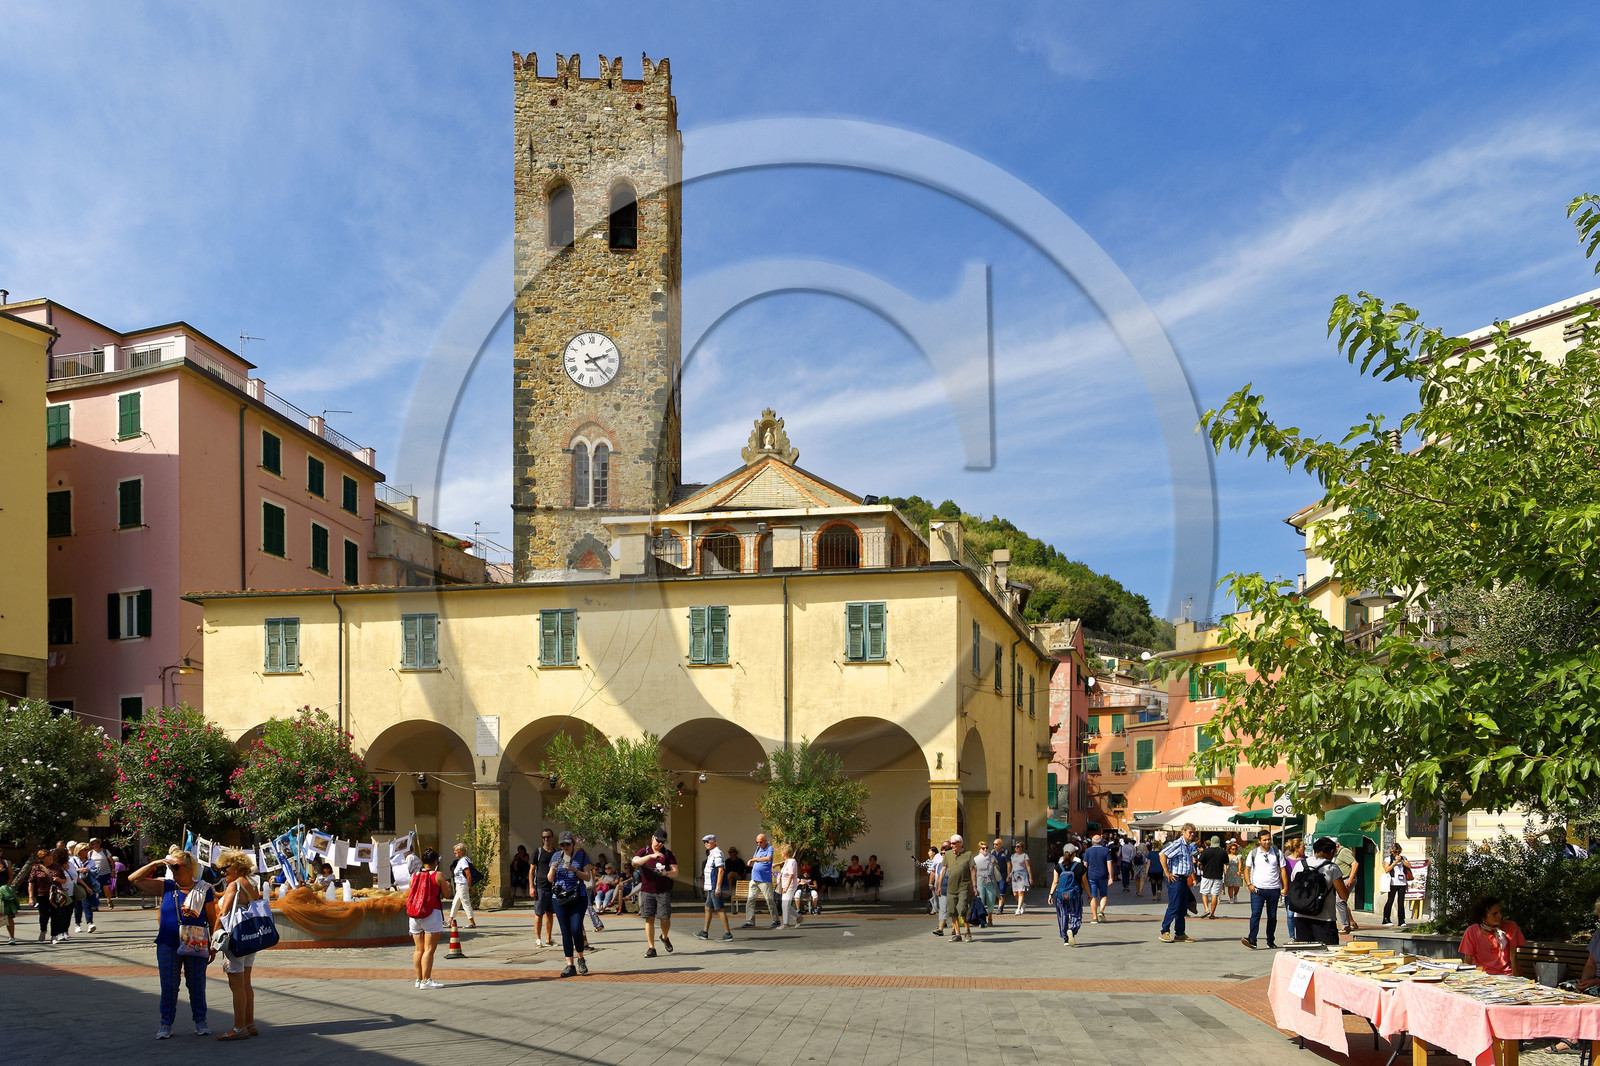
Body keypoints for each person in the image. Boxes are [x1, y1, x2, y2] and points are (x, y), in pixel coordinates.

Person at [126, 847, 219, 1038]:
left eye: (176, 866)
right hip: (168, 943)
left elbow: (212, 918)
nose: (173, 870)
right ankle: (165, 1024)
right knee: (168, 985)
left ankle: (200, 1021)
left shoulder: (204, 889)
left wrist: (213, 944)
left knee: (196, 984)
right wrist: (155, 863)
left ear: (189, 868)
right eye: (171, 866)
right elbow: (133, 879)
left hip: (196, 941)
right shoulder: (166, 886)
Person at [213, 849, 261, 1040]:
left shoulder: (234, 885)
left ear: (236, 866)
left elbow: (222, 914)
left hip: (235, 939)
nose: (223, 872)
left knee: (236, 985)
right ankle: (250, 1024)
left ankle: (239, 1027)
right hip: (250, 938)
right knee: (246, 983)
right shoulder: (252, 883)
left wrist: (214, 938)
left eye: (225, 868)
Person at [1289, 837, 1349, 946]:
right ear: (1331, 852)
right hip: (1324, 919)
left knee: (1305, 954)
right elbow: (1343, 895)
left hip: (1301, 917)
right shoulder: (1332, 868)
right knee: (1327, 956)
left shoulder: (1300, 865)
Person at [547, 831, 593, 976]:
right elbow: (549, 879)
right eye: (562, 844)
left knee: (575, 929)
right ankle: (570, 965)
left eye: (568, 844)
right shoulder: (556, 856)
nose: (565, 847)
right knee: (565, 931)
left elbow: (587, 877)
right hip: (559, 897)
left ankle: (580, 957)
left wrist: (574, 870)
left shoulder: (582, 856)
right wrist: (553, 868)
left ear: (573, 843)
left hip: (578, 896)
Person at [401, 847, 448, 988]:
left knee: (418, 949)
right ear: (435, 861)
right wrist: (448, 887)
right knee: (429, 950)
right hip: (432, 914)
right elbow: (446, 895)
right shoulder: (438, 875)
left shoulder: (413, 876)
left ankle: (418, 979)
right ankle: (426, 980)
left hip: (415, 915)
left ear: (421, 861)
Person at [631, 827, 678, 957]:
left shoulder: (668, 854)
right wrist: (650, 856)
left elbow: (675, 871)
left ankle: (664, 937)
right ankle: (651, 948)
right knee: (649, 918)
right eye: (658, 841)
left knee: (665, 918)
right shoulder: (644, 851)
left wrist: (666, 873)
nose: (660, 844)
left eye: (663, 842)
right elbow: (634, 862)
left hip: (663, 891)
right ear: (653, 838)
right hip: (647, 890)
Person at [1240, 830, 1286, 950]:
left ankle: (1270, 940)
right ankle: (1252, 939)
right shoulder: (1254, 853)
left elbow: (1283, 870)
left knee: (1272, 916)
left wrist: (1285, 887)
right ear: (1259, 840)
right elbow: (1247, 869)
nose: (1267, 842)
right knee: (1255, 914)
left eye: (1268, 839)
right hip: (1257, 889)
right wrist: (1249, 884)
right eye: (1264, 840)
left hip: (1273, 889)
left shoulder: (1277, 852)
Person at [1459, 896, 1525, 977]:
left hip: (1507, 977)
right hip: (1482, 978)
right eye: (1495, 914)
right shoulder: (1472, 932)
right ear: (1483, 917)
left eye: (1500, 912)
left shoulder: (1511, 927)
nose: (1500, 916)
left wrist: (1516, 981)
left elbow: (1513, 957)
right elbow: (1467, 962)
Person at [1157, 823, 1199, 943]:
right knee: (1174, 906)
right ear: (1183, 832)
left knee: (1182, 907)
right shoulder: (1178, 844)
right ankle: (1164, 931)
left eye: (1193, 832)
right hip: (1176, 879)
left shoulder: (1186, 846)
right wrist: (1167, 872)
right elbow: (1162, 854)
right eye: (1190, 832)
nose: (1192, 834)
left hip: (1183, 880)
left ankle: (1180, 933)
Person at [28, 847, 70, 944]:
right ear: (42, 858)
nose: (50, 858)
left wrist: (59, 880)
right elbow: (31, 882)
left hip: (55, 895)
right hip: (42, 895)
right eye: (47, 857)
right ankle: (43, 930)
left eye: (50, 856)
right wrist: (31, 897)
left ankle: (54, 936)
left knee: (56, 915)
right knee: (43, 915)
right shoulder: (36, 868)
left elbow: (64, 880)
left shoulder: (57, 866)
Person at [1049, 844, 1088, 946]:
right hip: (1075, 895)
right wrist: (1090, 894)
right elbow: (1084, 882)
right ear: (1074, 853)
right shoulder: (1080, 867)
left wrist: (1050, 894)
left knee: (1062, 915)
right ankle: (1072, 929)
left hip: (1060, 896)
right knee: (1076, 915)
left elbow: (1055, 882)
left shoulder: (1058, 867)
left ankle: (1065, 939)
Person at [697, 833, 732, 942]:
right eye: (704, 842)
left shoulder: (717, 853)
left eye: (708, 841)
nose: (706, 843)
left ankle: (728, 934)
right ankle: (704, 932)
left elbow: (721, 870)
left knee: (720, 908)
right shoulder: (712, 854)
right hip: (710, 886)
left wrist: (718, 887)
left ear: (714, 842)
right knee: (708, 908)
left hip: (714, 886)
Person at [740, 832, 779, 929]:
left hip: (764, 880)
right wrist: (755, 859)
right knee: (750, 901)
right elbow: (754, 858)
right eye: (757, 842)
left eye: (760, 842)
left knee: (769, 901)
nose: (758, 844)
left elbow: (768, 858)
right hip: (754, 879)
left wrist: (756, 859)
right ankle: (750, 921)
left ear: (765, 841)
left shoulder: (769, 848)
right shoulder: (758, 848)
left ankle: (776, 920)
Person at [942, 835, 976, 943]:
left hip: (964, 886)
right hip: (951, 887)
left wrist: (974, 886)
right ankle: (957, 934)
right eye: (951, 843)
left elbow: (972, 870)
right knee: (952, 911)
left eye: (954, 843)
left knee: (962, 909)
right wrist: (938, 886)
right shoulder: (947, 855)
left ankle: (967, 932)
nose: (952, 845)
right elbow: (943, 870)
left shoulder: (968, 854)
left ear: (960, 843)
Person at [531, 830, 557, 949]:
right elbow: (532, 870)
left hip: (552, 887)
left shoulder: (556, 853)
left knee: (550, 914)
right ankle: (537, 939)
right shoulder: (538, 852)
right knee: (539, 913)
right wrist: (531, 887)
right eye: (544, 837)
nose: (546, 839)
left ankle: (548, 938)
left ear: (552, 838)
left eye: (548, 837)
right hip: (540, 887)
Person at [1082, 835, 1113, 924]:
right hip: (1103, 876)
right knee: (1103, 895)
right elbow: (1109, 864)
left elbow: (1085, 865)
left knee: (1093, 896)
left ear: (1092, 842)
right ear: (1101, 842)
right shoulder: (1105, 850)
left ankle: (1094, 917)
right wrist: (1111, 877)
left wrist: (1083, 878)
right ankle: (1101, 911)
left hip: (1091, 876)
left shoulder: (1088, 851)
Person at [1196, 836, 1228, 920]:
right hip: (1218, 876)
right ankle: (1212, 914)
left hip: (1207, 875)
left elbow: (1198, 863)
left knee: (1204, 892)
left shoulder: (1205, 851)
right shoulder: (1223, 852)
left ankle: (1206, 909)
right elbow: (1226, 863)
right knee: (1215, 895)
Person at [1381, 844, 1413, 928]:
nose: (1397, 853)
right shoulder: (1388, 859)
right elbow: (1386, 869)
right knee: (1390, 900)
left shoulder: (1404, 858)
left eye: (1399, 852)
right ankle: (1386, 919)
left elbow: (1409, 866)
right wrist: (1395, 862)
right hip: (1392, 882)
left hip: (1402, 883)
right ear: (1392, 852)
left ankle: (1401, 920)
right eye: (1395, 852)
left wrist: (1401, 861)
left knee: (1401, 902)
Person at [1334, 842, 1362, 933]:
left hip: (1346, 879)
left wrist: (1350, 878)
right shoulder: (1338, 854)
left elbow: (1355, 863)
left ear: (1337, 846)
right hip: (1341, 880)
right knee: (1342, 901)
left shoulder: (1344, 851)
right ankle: (1351, 922)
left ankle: (1346, 926)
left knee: (1340, 901)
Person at [448, 843, 477, 929]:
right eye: (454, 850)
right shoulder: (464, 859)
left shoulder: (463, 860)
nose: (455, 852)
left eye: (456, 850)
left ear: (462, 851)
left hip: (462, 884)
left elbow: (468, 873)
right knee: (456, 902)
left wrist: (469, 886)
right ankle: (450, 920)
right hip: (460, 885)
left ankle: (472, 922)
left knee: (465, 903)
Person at [1283, 837, 1305, 942]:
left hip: (1303, 892)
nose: (1304, 849)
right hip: (1290, 891)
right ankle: (1292, 936)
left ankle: (1302, 935)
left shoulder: (1306, 860)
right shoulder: (1286, 860)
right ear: (1296, 848)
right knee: (1290, 914)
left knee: (1301, 914)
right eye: (1303, 847)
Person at [973, 841, 998, 923]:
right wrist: (973, 885)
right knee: (981, 901)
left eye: (986, 848)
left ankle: (990, 916)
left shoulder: (991, 857)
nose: (985, 850)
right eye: (983, 848)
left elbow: (998, 867)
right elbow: (973, 871)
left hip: (990, 882)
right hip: (980, 882)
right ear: (979, 850)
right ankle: (982, 919)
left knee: (991, 900)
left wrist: (995, 863)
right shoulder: (976, 859)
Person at [777, 843, 800, 928]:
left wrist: (786, 886)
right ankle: (798, 918)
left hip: (790, 885)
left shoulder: (791, 861)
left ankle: (786, 923)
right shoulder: (787, 862)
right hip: (786, 885)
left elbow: (791, 875)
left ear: (786, 852)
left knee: (785, 904)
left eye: (782, 851)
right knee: (786, 904)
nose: (781, 853)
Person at [929, 843, 949, 934]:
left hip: (953, 889)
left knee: (953, 909)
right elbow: (938, 877)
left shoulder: (954, 863)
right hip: (943, 889)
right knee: (942, 908)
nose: (943, 855)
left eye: (945, 853)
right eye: (942, 853)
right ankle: (940, 928)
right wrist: (937, 888)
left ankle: (955, 929)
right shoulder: (940, 865)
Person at [1009, 842, 1032, 914]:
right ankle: (1022, 904)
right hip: (1014, 876)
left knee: (1020, 892)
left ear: (1021, 847)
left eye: (1018, 846)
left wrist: (1030, 877)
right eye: (1015, 847)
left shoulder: (1025, 856)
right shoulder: (1013, 856)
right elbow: (1011, 867)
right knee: (1015, 894)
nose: (1016, 848)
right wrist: (1009, 875)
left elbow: (1028, 867)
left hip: (1022, 875)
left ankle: (1018, 909)